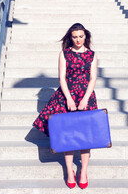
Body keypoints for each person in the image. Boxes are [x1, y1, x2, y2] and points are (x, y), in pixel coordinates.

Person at [33, 23, 98, 189]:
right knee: (68, 136)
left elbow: (92, 79)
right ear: (71, 37)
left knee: (85, 137)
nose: (78, 40)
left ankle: (83, 171)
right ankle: (70, 171)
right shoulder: (64, 54)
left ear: (85, 37)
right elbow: (62, 78)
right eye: (75, 37)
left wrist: (85, 99)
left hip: (86, 97)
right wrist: (69, 98)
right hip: (66, 96)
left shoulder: (92, 55)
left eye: (81, 36)